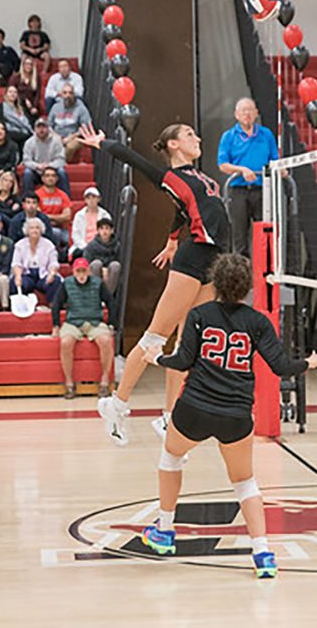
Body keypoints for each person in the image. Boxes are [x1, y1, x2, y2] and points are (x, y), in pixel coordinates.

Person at [140, 252, 317, 577]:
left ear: (215, 284)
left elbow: (183, 361)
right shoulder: (258, 322)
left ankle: (165, 531)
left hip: (194, 408)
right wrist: (310, 362)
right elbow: (282, 367)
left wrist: (156, 358)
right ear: (247, 287)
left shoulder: (199, 315)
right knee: (244, 483)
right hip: (236, 415)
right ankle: (263, 554)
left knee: (171, 457)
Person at [77, 122, 232, 446]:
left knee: (188, 344)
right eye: (189, 134)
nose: (198, 137)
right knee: (155, 338)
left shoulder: (196, 176)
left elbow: (183, 210)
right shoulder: (169, 176)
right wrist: (103, 143)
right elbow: (134, 159)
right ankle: (116, 405)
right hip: (195, 258)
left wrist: (172, 239)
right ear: (173, 144)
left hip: (214, 260)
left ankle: (169, 416)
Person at [217, 98, 279, 256]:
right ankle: (242, 270)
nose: (247, 114)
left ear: (256, 113)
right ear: (236, 114)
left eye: (250, 110)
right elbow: (223, 165)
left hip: (262, 190)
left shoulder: (266, 134)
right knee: (239, 236)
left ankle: (265, 268)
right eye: (243, 110)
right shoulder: (229, 136)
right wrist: (242, 170)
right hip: (238, 190)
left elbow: (275, 159)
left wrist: (281, 170)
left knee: (264, 233)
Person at [52, 257, 115, 398]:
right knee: (65, 342)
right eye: (78, 271)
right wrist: (55, 325)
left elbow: (110, 302)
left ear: (88, 272)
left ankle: (104, 381)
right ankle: (69, 383)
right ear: (73, 272)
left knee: (106, 341)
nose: (81, 274)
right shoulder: (66, 284)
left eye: (84, 271)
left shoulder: (98, 283)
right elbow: (56, 304)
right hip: (73, 322)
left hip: (94, 321)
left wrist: (111, 324)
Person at [11, 217, 60, 304]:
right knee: (14, 281)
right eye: (32, 228)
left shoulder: (49, 245)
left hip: (43, 274)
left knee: (56, 280)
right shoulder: (20, 245)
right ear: (27, 230)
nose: (34, 230)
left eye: (37, 228)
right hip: (27, 274)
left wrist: (52, 274)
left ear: (41, 230)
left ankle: (52, 306)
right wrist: (18, 276)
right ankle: (21, 306)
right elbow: (16, 263)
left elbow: (54, 263)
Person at [47, 84, 92, 162]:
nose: (67, 95)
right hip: (57, 136)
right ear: (61, 95)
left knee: (70, 147)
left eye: (70, 93)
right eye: (65, 93)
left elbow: (86, 126)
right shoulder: (55, 107)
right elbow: (49, 125)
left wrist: (71, 137)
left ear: (74, 94)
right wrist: (57, 137)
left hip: (74, 137)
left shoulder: (81, 108)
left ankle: (61, 163)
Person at [22, 117, 67, 195]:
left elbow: (61, 160)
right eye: (39, 127)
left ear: (48, 128)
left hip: (52, 170)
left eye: (44, 127)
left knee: (61, 172)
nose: (41, 130)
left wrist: (49, 165)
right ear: (35, 129)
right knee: (27, 173)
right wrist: (37, 166)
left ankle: (66, 198)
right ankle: (27, 198)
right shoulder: (29, 142)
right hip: (36, 171)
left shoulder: (56, 141)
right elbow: (26, 160)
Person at [35, 167, 71, 250]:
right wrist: (58, 218)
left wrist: (47, 217)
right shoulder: (37, 195)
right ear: (42, 178)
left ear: (57, 178)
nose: (50, 178)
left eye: (53, 176)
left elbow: (67, 216)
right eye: (47, 176)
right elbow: (39, 216)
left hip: (62, 229)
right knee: (55, 233)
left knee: (69, 239)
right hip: (43, 230)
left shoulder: (63, 195)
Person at [70, 186, 111, 259]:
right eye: (88, 198)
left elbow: (107, 233)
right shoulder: (79, 215)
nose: (91, 200)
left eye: (94, 197)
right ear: (85, 200)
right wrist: (86, 246)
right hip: (83, 246)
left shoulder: (105, 215)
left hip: (100, 246)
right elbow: (75, 235)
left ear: (98, 199)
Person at [84, 217, 121, 294]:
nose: (104, 231)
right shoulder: (91, 246)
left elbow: (119, 260)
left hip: (111, 274)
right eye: (102, 228)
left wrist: (106, 269)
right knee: (96, 264)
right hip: (94, 273)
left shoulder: (117, 246)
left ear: (112, 230)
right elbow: (86, 262)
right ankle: (96, 294)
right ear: (98, 231)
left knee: (115, 265)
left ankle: (108, 296)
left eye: (107, 228)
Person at [9, 56, 42, 124]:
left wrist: (34, 106)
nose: (28, 66)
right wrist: (24, 100)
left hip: (32, 104)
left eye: (30, 64)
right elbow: (11, 92)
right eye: (26, 64)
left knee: (34, 114)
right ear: (23, 65)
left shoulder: (36, 78)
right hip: (18, 103)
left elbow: (37, 94)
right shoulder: (16, 77)